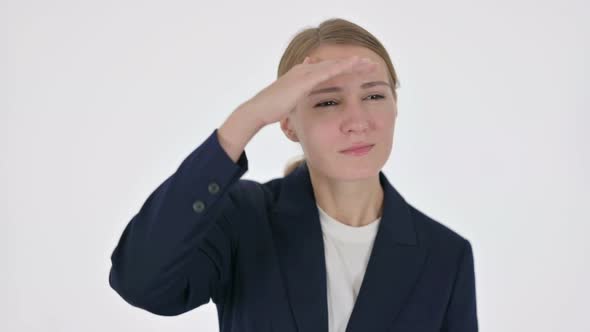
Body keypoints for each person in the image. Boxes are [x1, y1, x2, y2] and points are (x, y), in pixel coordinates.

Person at [108, 17, 478, 332]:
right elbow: (141, 281)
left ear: (396, 105)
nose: (358, 122)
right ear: (287, 123)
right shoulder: (244, 219)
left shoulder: (445, 255)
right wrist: (246, 120)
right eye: (328, 101)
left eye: (374, 96)